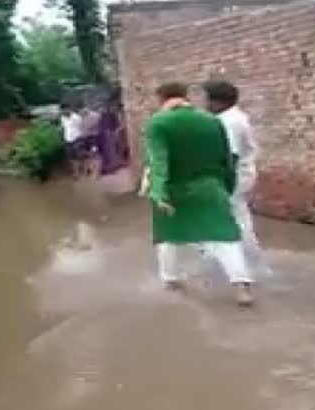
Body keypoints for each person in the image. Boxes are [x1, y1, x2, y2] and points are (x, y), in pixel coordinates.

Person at [143, 82, 254, 306]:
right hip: (211, 187)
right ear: (185, 97)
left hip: (174, 189)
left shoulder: (157, 123)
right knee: (225, 237)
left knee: (168, 237)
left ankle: (171, 281)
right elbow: (227, 161)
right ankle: (242, 287)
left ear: (161, 98)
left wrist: (158, 193)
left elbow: (159, 163)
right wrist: (227, 188)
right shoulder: (212, 121)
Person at [202, 80, 267, 281]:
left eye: (207, 100)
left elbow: (230, 156)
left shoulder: (228, 122)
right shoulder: (235, 117)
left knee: (235, 220)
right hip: (242, 174)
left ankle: (244, 267)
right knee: (238, 217)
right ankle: (243, 262)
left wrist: (220, 182)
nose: (205, 104)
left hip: (234, 176)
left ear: (218, 102)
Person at [96, 90, 128, 176]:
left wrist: (115, 131)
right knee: (109, 151)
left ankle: (113, 166)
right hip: (106, 135)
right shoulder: (104, 116)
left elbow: (116, 124)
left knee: (113, 150)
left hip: (110, 134)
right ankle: (110, 167)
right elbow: (101, 126)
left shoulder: (110, 115)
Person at [61, 102, 85, 178]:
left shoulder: (76, 117)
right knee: (71, 157)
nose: (64, 111)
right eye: (62, 110)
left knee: (78, 156)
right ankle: (76, 171)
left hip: (76, 139)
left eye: (65, 110)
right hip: (68, 140)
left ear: (69, 109)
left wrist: (80, 137)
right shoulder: (63, 118)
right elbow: (65, 128)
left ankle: (79, 172)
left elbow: (81, 127)